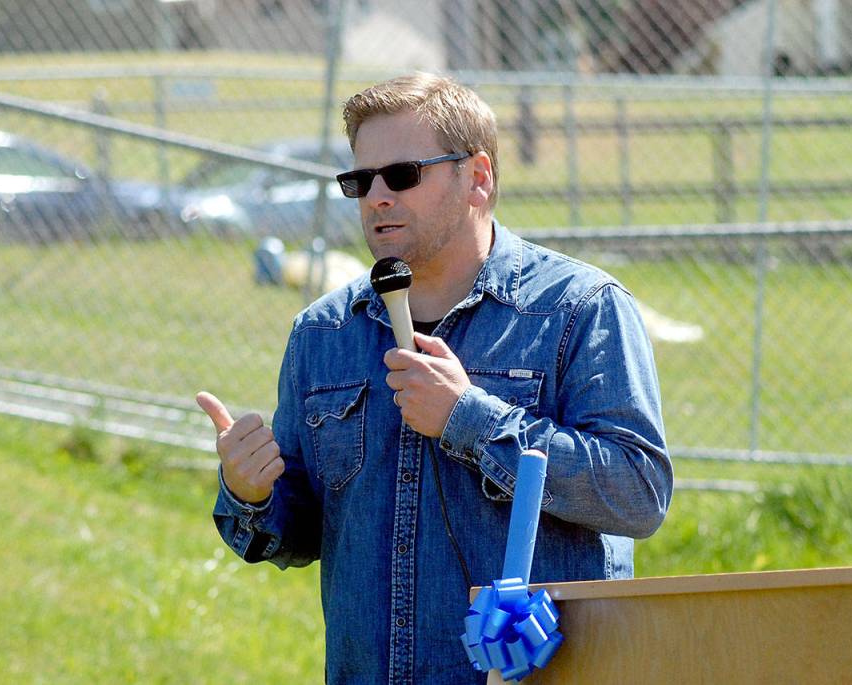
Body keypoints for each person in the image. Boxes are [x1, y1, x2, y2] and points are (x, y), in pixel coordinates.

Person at [197, 73, 672, 684]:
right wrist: (251, 493)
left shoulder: (579, 310)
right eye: (360, 181)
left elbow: (638, 492)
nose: (376, 197)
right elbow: (300, 532)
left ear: (478, 177)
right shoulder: (322, 334)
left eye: (402, 175)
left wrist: (469, 418)